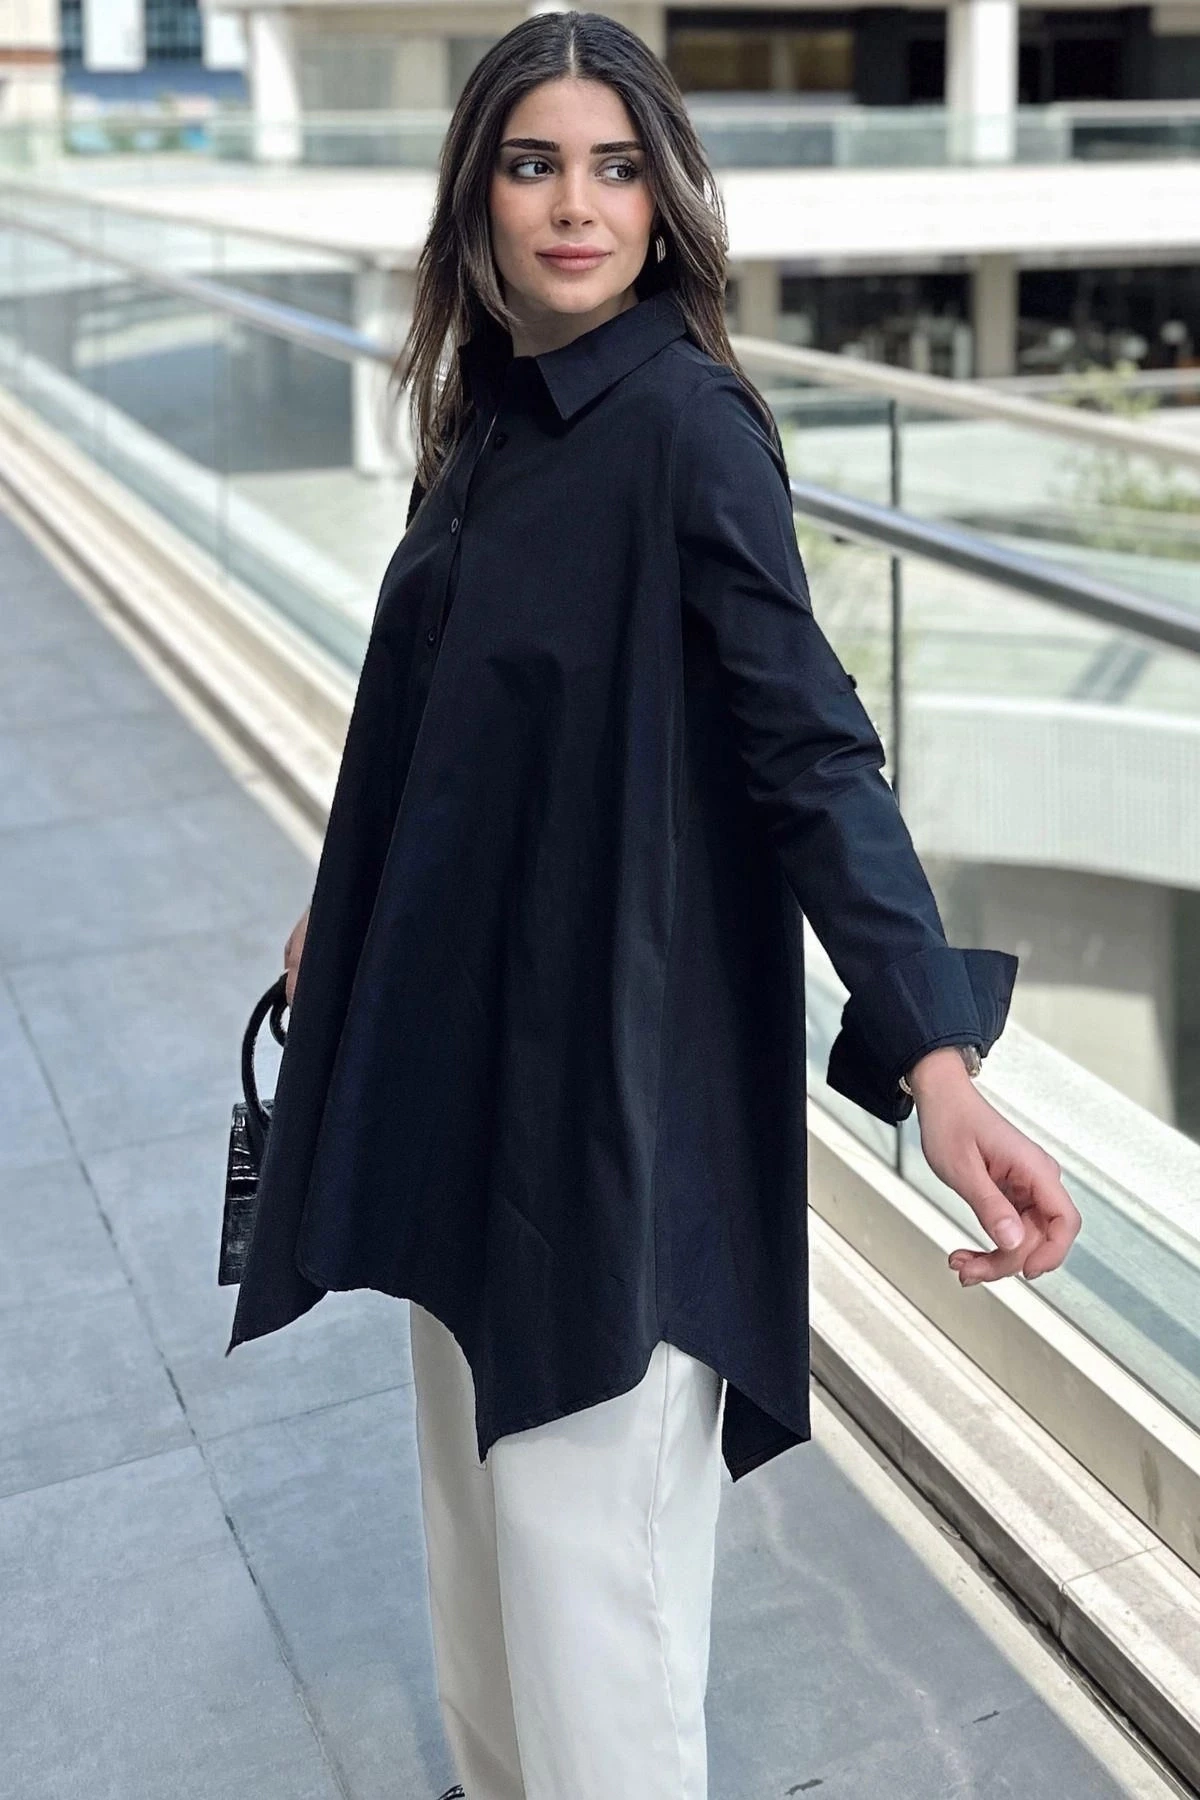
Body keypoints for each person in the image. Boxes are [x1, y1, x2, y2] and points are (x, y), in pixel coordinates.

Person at [227, 13, 1082, 1799]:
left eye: (616, 168)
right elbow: (443, 726)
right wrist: (344, 909)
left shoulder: (688, 429)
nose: (576, 205)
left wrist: (935, 1061)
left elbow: (814, 753)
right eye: (534, 164)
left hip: (607, 1122)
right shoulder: (483, 422)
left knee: (591, 1609)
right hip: (464, 1078)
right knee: (479, 1572)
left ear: (663, 197)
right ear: (476, 199)